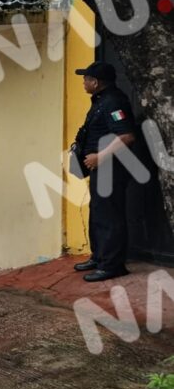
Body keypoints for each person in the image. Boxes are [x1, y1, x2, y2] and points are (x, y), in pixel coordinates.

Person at [73, 62, 138, 282]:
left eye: (86, 78)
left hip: (111, 168)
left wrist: (99, 157)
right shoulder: (101, 100)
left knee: (109, 215)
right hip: (101, 169)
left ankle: (112, 265)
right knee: (98, 212)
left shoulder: (113, 102)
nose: (83, 82)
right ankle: (99, 257)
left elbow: (127, 136)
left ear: (96, 82)